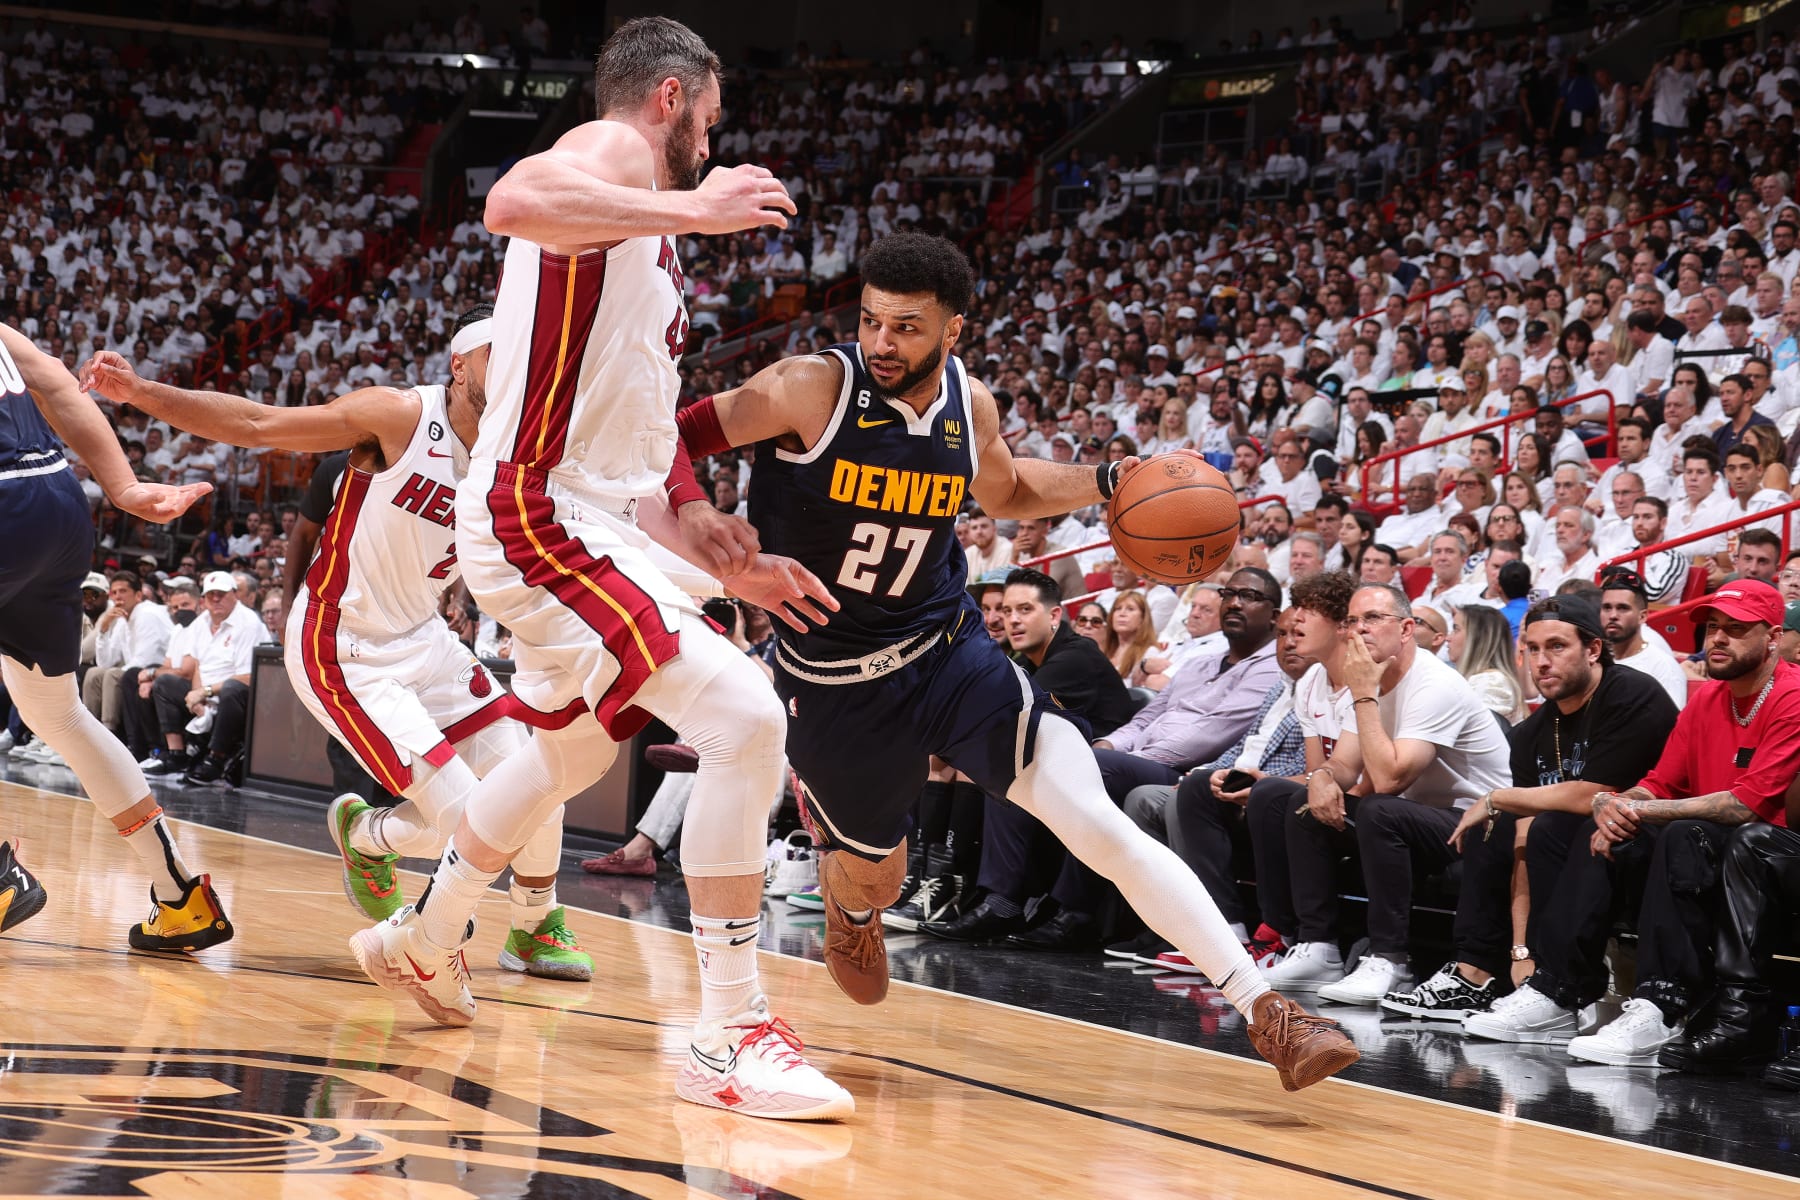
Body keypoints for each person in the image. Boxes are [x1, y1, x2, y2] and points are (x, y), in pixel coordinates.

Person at [678, 229, 1358, 1096]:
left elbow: (1005, 490)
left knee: (1093, 817)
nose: (883, 343)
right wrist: (707, 529)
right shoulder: (808, 387)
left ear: (954, 329)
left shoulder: (972, 402)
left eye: (908, 328)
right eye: (873, 321)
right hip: (836, 682)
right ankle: (855, 909)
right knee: (874, 874)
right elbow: (673, 439)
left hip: (949, 651)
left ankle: (1271, 1013)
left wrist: (1109, 480)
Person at [342, 17, 865, 1122]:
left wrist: (702, 538)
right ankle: (728, 1033)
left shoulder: (642, 226)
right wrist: (693, 203)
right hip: (537, 512)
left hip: (587, 515)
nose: (713, 147)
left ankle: (423, 941)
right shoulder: (619, 154)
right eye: (711, 123)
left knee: (565, 750)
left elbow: (626, 417)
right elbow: (510, 203)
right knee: (745, 717)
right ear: (670, 98)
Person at [84, 309, 600, 984]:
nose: (514, 368)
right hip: (343, 646)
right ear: (460, 365)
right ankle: (366, 836)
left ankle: (534, 927)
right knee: (466, 820)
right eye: (496, 353)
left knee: (539, 775)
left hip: (427, 639)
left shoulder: (522, 454)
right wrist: (146, 394)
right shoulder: (399, 418)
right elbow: (258, 425)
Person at [1467, 581, 1800, 1064]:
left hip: (1762, 851)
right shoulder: (1707, 698)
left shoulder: (1791, 696)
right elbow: (1660, 781)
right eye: (1713, 628)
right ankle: (1557, 991)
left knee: (1682, 833)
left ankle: (1660, 1004)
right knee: (1561, 829)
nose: (1719, 639)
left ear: (1772, 637)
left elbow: (1742, 806)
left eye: (1736, 629)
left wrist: (1634, 808)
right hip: (1699, 842)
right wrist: (1619, 804)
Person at [0, 318, 228, 951]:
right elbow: (58, 385)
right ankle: (179, 896)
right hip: (57, 499)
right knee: (61, 717)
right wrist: (122, 487)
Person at [1382, 596, 1678, 1021]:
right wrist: (1521, 949)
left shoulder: (1631, 695)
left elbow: (1594, 794)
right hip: (1569, 849)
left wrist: (1495, 797)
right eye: (1533, 649)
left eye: (1556, 647)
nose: (1541, 662)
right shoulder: (1531, 733)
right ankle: (1476, 972)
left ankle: (1564, 985)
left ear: (1593, 650)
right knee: (1500, 827)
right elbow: (1522, 839)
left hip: (1649, 843)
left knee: (1548, 822)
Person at [1261, 582, 1512, 1004]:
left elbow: (1390, 777)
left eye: (1374, 619)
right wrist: (1321, 779)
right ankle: (1318, 946)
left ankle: (1390, 961)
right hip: (1418, 818)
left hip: (1481, 824)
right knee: (1300, 803)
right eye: (1353, 621)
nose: (1360, 630)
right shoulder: (1370, 678)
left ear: (1407, 628)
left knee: (1380, 809)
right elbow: (1343, 764)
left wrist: (1362, 695)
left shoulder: (1433, 684)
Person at [1120, 605, 1312, 970]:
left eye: (1297, 635)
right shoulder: (1279, 688)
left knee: (1190, 795)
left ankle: (1220, 930)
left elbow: (1311, 765)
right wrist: (1211, 771)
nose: (1287, 644)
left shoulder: (1321, 688)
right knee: (1145, 798)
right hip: (1235, 782)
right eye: (1283, 636)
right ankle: (1165, 927)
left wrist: (1251, 783)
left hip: (1269, 791)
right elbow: (1242, 747)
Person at [1597, 568, 1690, 710]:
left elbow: (1670, 726)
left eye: (1623, 608)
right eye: (1607, 608)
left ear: (1642, 616)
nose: (1613, 615)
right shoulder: (1594, 659)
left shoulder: (1664, 667)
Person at [1449, 604, 1526, 722]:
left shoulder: (1491, 682)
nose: (1447, 637)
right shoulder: (1480, 679)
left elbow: (1478, 737)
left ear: (1478, 638)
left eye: (1456, 629)